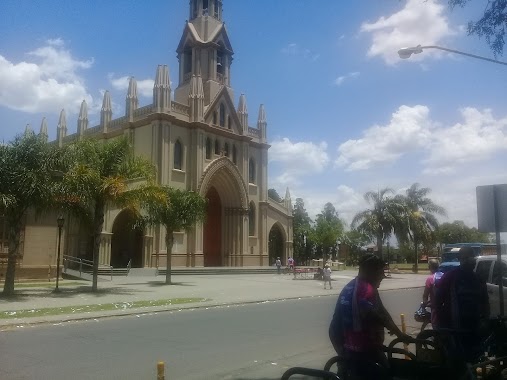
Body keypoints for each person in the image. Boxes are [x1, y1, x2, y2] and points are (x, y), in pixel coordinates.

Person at [329, 253, 412, 379]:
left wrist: (342, 351)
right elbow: (379, 315)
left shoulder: (349, 287)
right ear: (370, 271)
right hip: (364, 351)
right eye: (380, 273)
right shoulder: (366, 289)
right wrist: (399, 334)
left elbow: (334, 324)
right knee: (386, 372)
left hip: (348, 350)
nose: (382, 277)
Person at [434, 246, 490, 364]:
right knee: (456, 363)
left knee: (473, 363)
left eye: (471, 257)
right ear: (460, 259)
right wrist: (441, 327)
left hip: (474, 330)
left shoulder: (478, 279)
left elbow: (485, 302)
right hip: (454, 331)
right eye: (466, 257)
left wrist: (485, 320)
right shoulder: (450, 277)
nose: (471, 260)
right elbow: (437, 302)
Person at [422, 259, 441, 328]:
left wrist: (425, 303)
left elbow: (425, 295)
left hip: (435, 308)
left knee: (436, 328)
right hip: (447, 307)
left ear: (429, 267)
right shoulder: (445, 275)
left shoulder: (430, 278)